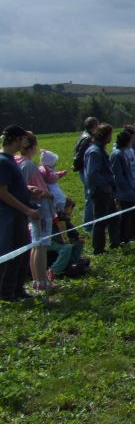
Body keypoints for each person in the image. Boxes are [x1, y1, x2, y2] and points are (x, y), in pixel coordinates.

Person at [0, 125, 38, 302]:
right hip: (10, 216)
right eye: (23, 139)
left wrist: (28, 190)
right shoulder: (3, 162)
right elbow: (2, 192)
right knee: (13, 253)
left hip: (18, 215)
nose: (25, 143)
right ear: (16, 139)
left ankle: (18, 289)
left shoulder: (10, 160)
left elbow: (12, 187)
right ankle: (7, 293)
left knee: (23, 251)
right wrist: (27, 209)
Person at [17, 133, 57, 293]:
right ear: (32, 147)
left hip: (34, 209)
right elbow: (33, 189)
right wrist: (49, 194)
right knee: (41, 246)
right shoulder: (28, 165)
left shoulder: (18, 162)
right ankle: (42, 282)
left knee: (36, 245)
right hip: (40, 209)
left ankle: (38, 281)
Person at [83, 123, 120, 255]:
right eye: (110, 134)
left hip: (107, 190)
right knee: (101, 221)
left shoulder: (99, 149)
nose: (111, 137)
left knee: (114, 217)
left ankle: (115, 243)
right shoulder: (94, 152)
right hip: (100, 191)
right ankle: (98, 249)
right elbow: (92, 173)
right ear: (105, 135)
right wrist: (105, 186)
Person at [72, 116, 99, 232]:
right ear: (94, 126)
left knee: (90, 195)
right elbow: (80, 155)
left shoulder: (84, 135)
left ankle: (92, 222)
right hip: (86, 170)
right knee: (90, 197)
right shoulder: (87, 138)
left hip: (84, 169)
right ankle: (88, 226)